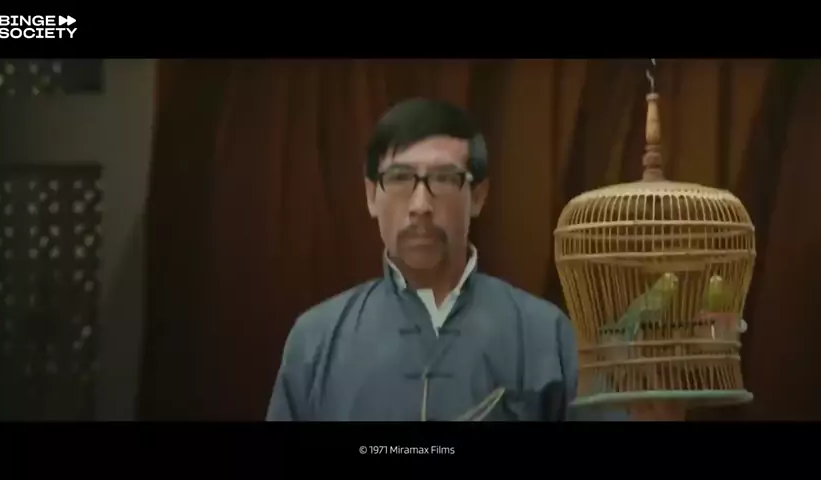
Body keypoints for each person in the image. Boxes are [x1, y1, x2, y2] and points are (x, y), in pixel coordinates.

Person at [266, 98, 682, 422]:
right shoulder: (316, 340)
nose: (420, 205)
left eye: (444, 179)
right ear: (372, 196)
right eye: (400, 179)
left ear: (478, 196)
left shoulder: (547, 335)